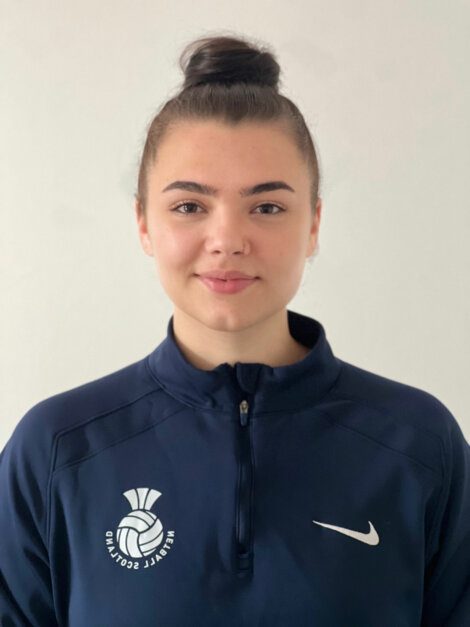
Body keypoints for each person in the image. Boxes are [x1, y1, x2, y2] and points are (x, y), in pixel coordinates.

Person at [0, 34, 468, 627]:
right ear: (144, 223)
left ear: (314, 223)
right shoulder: (56, 450)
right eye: (190, 206)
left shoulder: (420, 446)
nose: (227, 240)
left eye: (267, 207)